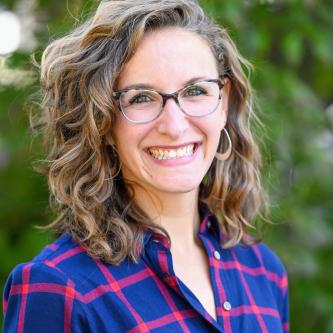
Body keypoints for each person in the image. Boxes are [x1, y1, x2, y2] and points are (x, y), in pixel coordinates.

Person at [3, 0, 289, 332]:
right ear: (103, 122)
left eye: (196, 91)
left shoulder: (263, 271)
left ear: (223, 102)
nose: (175, 125)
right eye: (141, 97)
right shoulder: (60, 287)